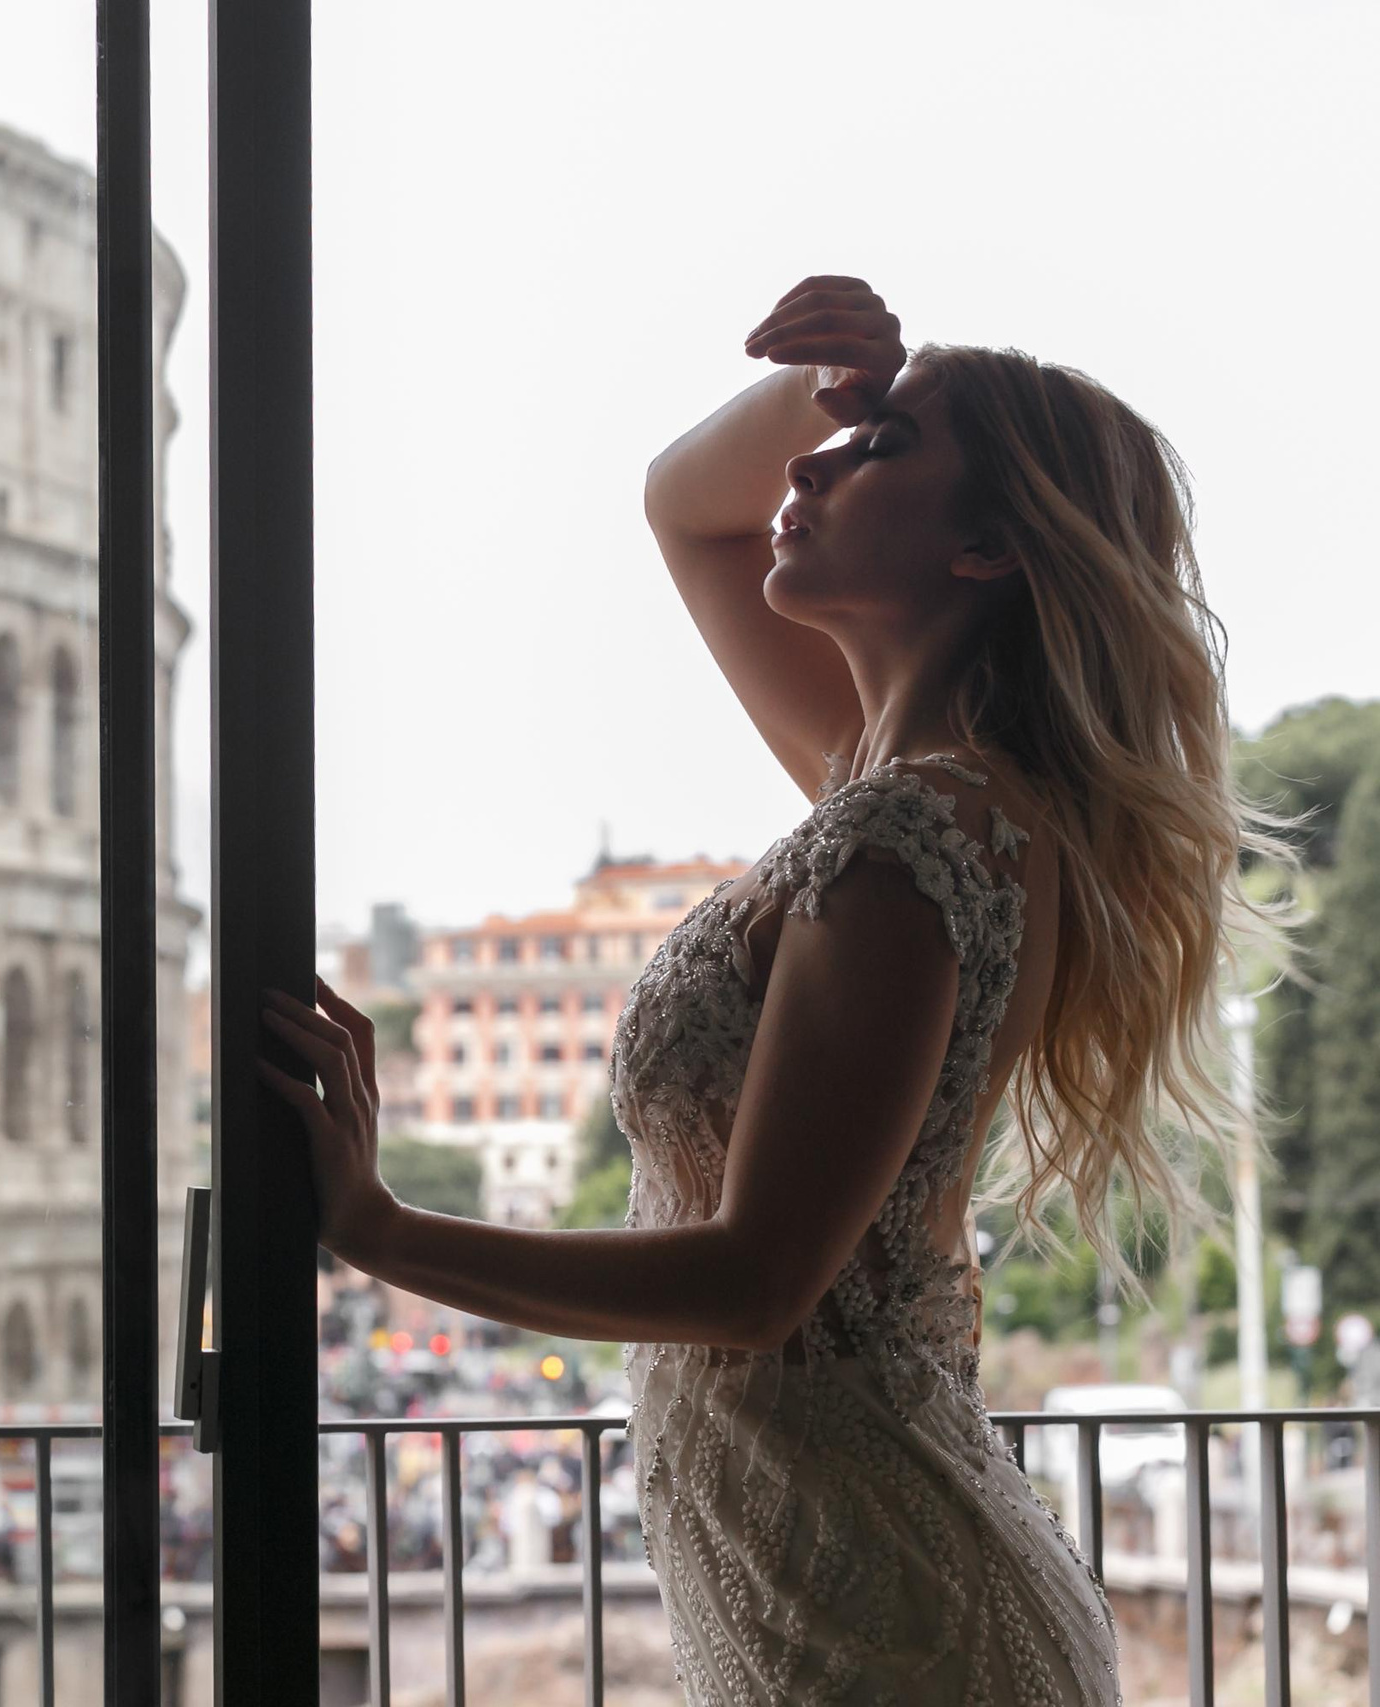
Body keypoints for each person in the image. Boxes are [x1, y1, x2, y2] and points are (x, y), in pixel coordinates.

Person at [258, 275, 1295, 1704]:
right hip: (849, 1584)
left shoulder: (909, 833)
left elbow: (754, 1282)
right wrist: (833, 390)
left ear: (988, 545)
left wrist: (380, 1228)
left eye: (877, 453)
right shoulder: (907, 790)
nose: (809, 470)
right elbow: (688, 507)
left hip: (881, 1618)